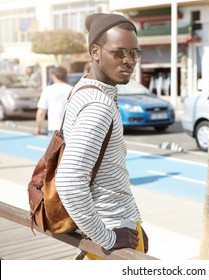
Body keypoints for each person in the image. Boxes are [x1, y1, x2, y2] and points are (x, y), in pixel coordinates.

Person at [55, 13, 148, 259]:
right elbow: (69, 182)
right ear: (95, 52)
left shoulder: (83, 89)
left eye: (134, 53)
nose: (128, 60)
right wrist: (108, 237)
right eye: (119, 53)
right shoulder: (98, 105)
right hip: (114, 231)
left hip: (110, 227)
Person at [34, 66, 72, 136]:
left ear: (53, 76)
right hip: (70, 129)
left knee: (53, 147)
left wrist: (38, 127)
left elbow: (41, 112)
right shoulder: (72, 90)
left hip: (54, 127)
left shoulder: (48, 90)